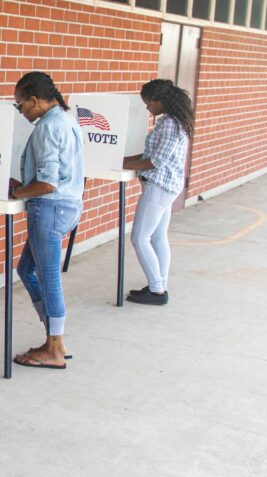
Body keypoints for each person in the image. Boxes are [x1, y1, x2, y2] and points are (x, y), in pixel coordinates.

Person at [8, 71, 84, 370]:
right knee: (26, 269)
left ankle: (54, 347)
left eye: (21, 105)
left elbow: (48, 183)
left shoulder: (48, 127)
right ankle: (54, 340)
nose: (22, 111)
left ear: (35, 100)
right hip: (67, 205)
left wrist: (19, 191)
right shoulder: (66, 119)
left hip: (50, 207)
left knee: (48, 278)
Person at [122, 79, 194, 306]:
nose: (147, 108)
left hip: (159, 188)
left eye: (149, 103)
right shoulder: (171, 121)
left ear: (161, 101)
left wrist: (125, 164)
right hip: (168, 187)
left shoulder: (170, 124)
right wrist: (124, 160)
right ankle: (159, 283)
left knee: (140, 238)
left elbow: (155, 161)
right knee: (158, 237)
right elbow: (148, 156)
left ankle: (156, 291)